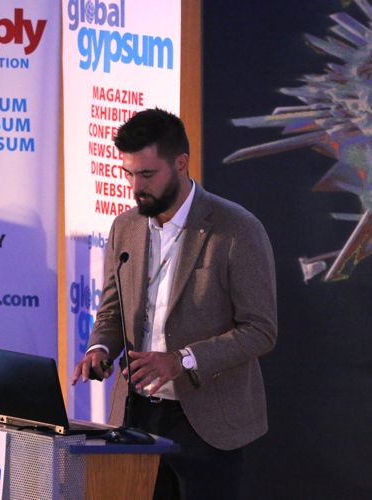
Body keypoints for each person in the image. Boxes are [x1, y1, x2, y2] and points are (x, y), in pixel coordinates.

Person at [72, 108, 277, 499]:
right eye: (129, 174)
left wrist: (182, 360)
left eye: (147, 174)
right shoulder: (125, 227)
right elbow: (113, 310)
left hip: (207, 422)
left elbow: (260, 331)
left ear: (180, 164)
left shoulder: (236, 229)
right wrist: (99, 349)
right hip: (135, 416)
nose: (135, 187)